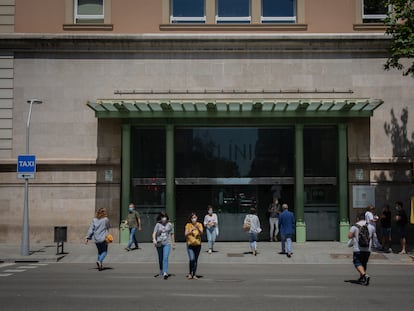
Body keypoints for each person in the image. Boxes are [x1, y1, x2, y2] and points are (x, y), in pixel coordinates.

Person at [348, 213, 375, 286]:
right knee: (363, 263)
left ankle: (364, 275)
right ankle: (362, 278)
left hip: (358, 249)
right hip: (367, 249)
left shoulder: (354, 226)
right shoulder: (371, 226)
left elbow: (349, 236)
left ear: (357, 218)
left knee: (357, 262)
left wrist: (354, 235)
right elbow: (372, 236)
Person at [152, 211, 175, 279]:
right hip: (159, 243)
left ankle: (165, 272)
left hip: (167, 243)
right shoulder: (158, 224)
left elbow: (172, 234)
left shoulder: (169, 224)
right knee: (160, 258)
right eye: (162, 217)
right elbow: (154, 233)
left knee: (165, 257)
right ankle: (161, 270)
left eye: (164, 217)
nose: (163, 218)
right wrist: (154, 239)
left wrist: (173, 243)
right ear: (160, 218)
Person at [185, 212, 203, 279]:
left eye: (195, 217)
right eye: (192, 218)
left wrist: (198, 228)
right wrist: (191, 230)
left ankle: (194, 274)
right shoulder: (188, 225)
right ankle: (190, 273)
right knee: (192, 259)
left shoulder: (199, 224)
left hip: (197, 245)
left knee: (195, 260)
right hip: (190, 244)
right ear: (190, 219)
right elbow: (185, 234)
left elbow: (201, 233)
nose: (194, 219)